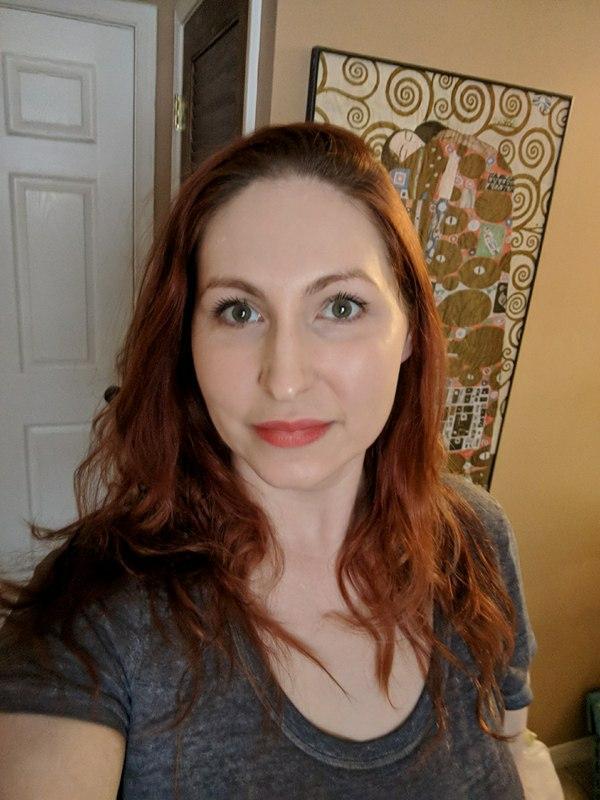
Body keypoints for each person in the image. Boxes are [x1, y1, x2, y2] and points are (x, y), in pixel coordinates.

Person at [0, 122, 562, 799]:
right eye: (239, 312)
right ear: (185, 340)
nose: (286, 379)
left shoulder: (476, 533)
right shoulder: (96, 612)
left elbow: (516, 744)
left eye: (341, 306)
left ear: (410, 328)